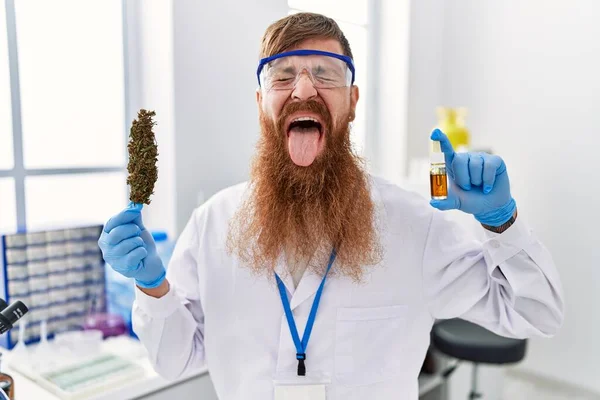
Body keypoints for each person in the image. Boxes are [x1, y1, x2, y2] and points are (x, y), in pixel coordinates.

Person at [98, 12, 564, 400]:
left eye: (326, 73)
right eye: (283, 76)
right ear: (261, 102)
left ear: (352, 101)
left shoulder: (413, 226)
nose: (303, 90)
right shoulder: (212, 224)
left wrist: (501, 223)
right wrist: (153, 288)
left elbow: (537, 313)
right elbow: (174, 359)